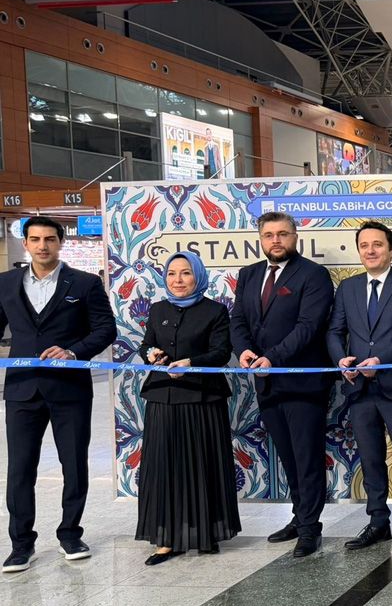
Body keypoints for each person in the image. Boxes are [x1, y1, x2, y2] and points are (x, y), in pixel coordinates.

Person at [0, 216, 115, 573]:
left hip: (69, 389)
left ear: (60, 242)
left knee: (74, 464)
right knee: (20, 468)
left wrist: (73, 351)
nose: (42, 246)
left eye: (49, 239)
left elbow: (105, 329)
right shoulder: (5, 283)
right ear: (26, 243)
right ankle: (21, 544)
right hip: (22, 389)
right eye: (35, 239)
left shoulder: (85, 283)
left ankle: (70, 534)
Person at [230, 212, 334, 558]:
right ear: (261, 239)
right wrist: (244, 350)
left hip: (303, 383)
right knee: (288, 457)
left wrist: (271, 358)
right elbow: (238, 320)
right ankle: (299, 516)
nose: (276, 240)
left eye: (283, 234)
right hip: (266, 384)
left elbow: (308, 327)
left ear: (295, 237)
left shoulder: (314, 275)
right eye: (269, 235)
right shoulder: (248, 274)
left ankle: (310, 528)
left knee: (307, 458)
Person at [136, 252, 239, 565]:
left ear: (198, 276)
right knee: (164, 468)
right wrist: (151, 354)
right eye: (171, 273)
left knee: (203, 465)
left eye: (185, 273)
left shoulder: (215, 311)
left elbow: (221, 352)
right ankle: (167, 539)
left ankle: (205, 534)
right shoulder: (157, 310)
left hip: (202, 400)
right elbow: (146, 344)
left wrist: (191, 363)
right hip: (162, 399)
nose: (177, 280)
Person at [329, 221, 392, 553]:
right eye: (364, 245)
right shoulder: (348, 288)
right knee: (371, 460)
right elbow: (334, 331)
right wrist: (341, 359)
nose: (370, 250)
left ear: (391, 249)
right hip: (359, 389)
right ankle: (378, 523)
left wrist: (379, 360)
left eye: (377, 245)